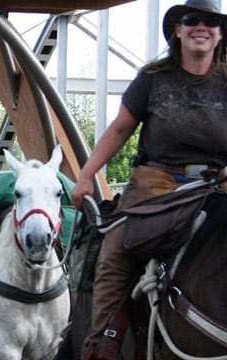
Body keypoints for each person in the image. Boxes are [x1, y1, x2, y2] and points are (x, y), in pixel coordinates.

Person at [70, 1, 227, 358]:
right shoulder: (153, 79)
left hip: (217, 186)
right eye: (192, 20)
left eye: (212, 22)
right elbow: (120, 129)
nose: (201, 27)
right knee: (118, 247)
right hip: (157, 184)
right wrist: (85, 176)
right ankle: (101, 343)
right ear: (178, 30)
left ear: (221, 34)